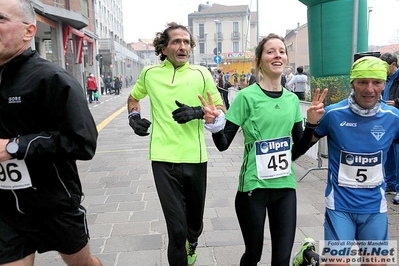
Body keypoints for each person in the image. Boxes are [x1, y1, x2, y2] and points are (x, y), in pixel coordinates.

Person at [198, 33, 327, 266]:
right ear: (259, 61)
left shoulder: (291, 100)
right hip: (253, 190)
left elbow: (296, 151)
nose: (278, 55)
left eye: (281, 51)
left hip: (285, 189)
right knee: (253, 255)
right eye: (270, 51)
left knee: (281, 260)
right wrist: (214, 125)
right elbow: (223, 144)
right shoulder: (246, 97)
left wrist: (312, 125)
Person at [0, 0, 101, 265]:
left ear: (29, 31)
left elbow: (84, 142)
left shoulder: (52, 79)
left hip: (54, 203)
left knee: (82, 264)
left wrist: (15, 147)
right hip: (6, 208)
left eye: (0, 19)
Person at [126, 22, 225, 266]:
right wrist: (134, 117)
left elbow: (220, 110)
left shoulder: (201, 74)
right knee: (176, 231)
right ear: (164, 48)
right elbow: (133, 98)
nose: (183, 46)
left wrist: (199, 112)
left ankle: (194, 240)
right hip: (162, 160)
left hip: (195, 159)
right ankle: (184, 243)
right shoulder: (150, 74)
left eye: (186, 42)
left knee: (194, 226)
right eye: (176, 42)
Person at [293, 56, 399, 266]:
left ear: (383, 84)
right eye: (362, 82)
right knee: (337, 263)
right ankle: (309, 255)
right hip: (340, 206)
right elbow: (296, 152)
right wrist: (311, 126)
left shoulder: (393, 117)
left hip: (374, 208)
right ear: (352, 84)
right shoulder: (333, 114)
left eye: (376, 82)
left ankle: (310, 257)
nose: (370, 89)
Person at [380, 52, 399, 204]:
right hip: (388, 121)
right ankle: (390, 183)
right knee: (390, 156)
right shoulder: (385, 79)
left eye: (385, 66)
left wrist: (397, 102)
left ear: (393, 64)